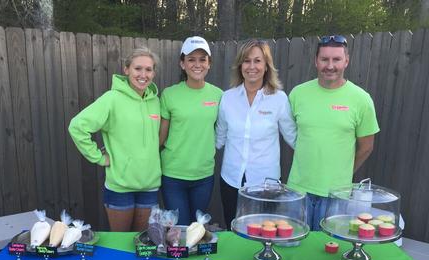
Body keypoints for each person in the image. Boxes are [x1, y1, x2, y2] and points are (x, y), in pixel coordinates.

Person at [288, 35, 380, 230]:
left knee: (328, 251)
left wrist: (342, 175)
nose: (330, 66)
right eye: (324, 59)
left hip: (336, 195)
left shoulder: (361, 100)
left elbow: (367, 147)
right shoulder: (297, 94)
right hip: (298, 191)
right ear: (316, 61)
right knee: (295, 250)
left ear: (346, 61)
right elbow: (293, 134)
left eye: (336, 59)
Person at [68, 48, 161, 232]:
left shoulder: (155, 102)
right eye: (138, 68)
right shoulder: (111, 99)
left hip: (150, 185)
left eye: (148, 69)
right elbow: (77, 126)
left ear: (154, 73)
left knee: (144, 243)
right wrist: (99, 158)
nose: (143, 74)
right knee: (121, 245)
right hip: (120, 186)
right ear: (126, 70)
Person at [216, 39, 297, 229]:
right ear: (240, 65)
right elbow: (218, 137)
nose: (251, 66)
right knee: (233, 230)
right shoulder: (227, 98)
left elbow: (293, 137)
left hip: (266, 185)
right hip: (231, 180)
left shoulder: (279, 99)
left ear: (267, 66)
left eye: (257, 61)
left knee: (263, 233)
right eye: (246, 61)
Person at [159, 36, 222, 225]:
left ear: (209, 64)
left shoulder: (219, 95)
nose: (197, 64)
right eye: (191, 59)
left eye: (202, 59)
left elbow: (224, 131)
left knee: (197, 228)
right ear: (182, 64)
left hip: (204, 176)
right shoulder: (169, 95)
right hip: (173, 175)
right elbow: (160, 137)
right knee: (180, 230)